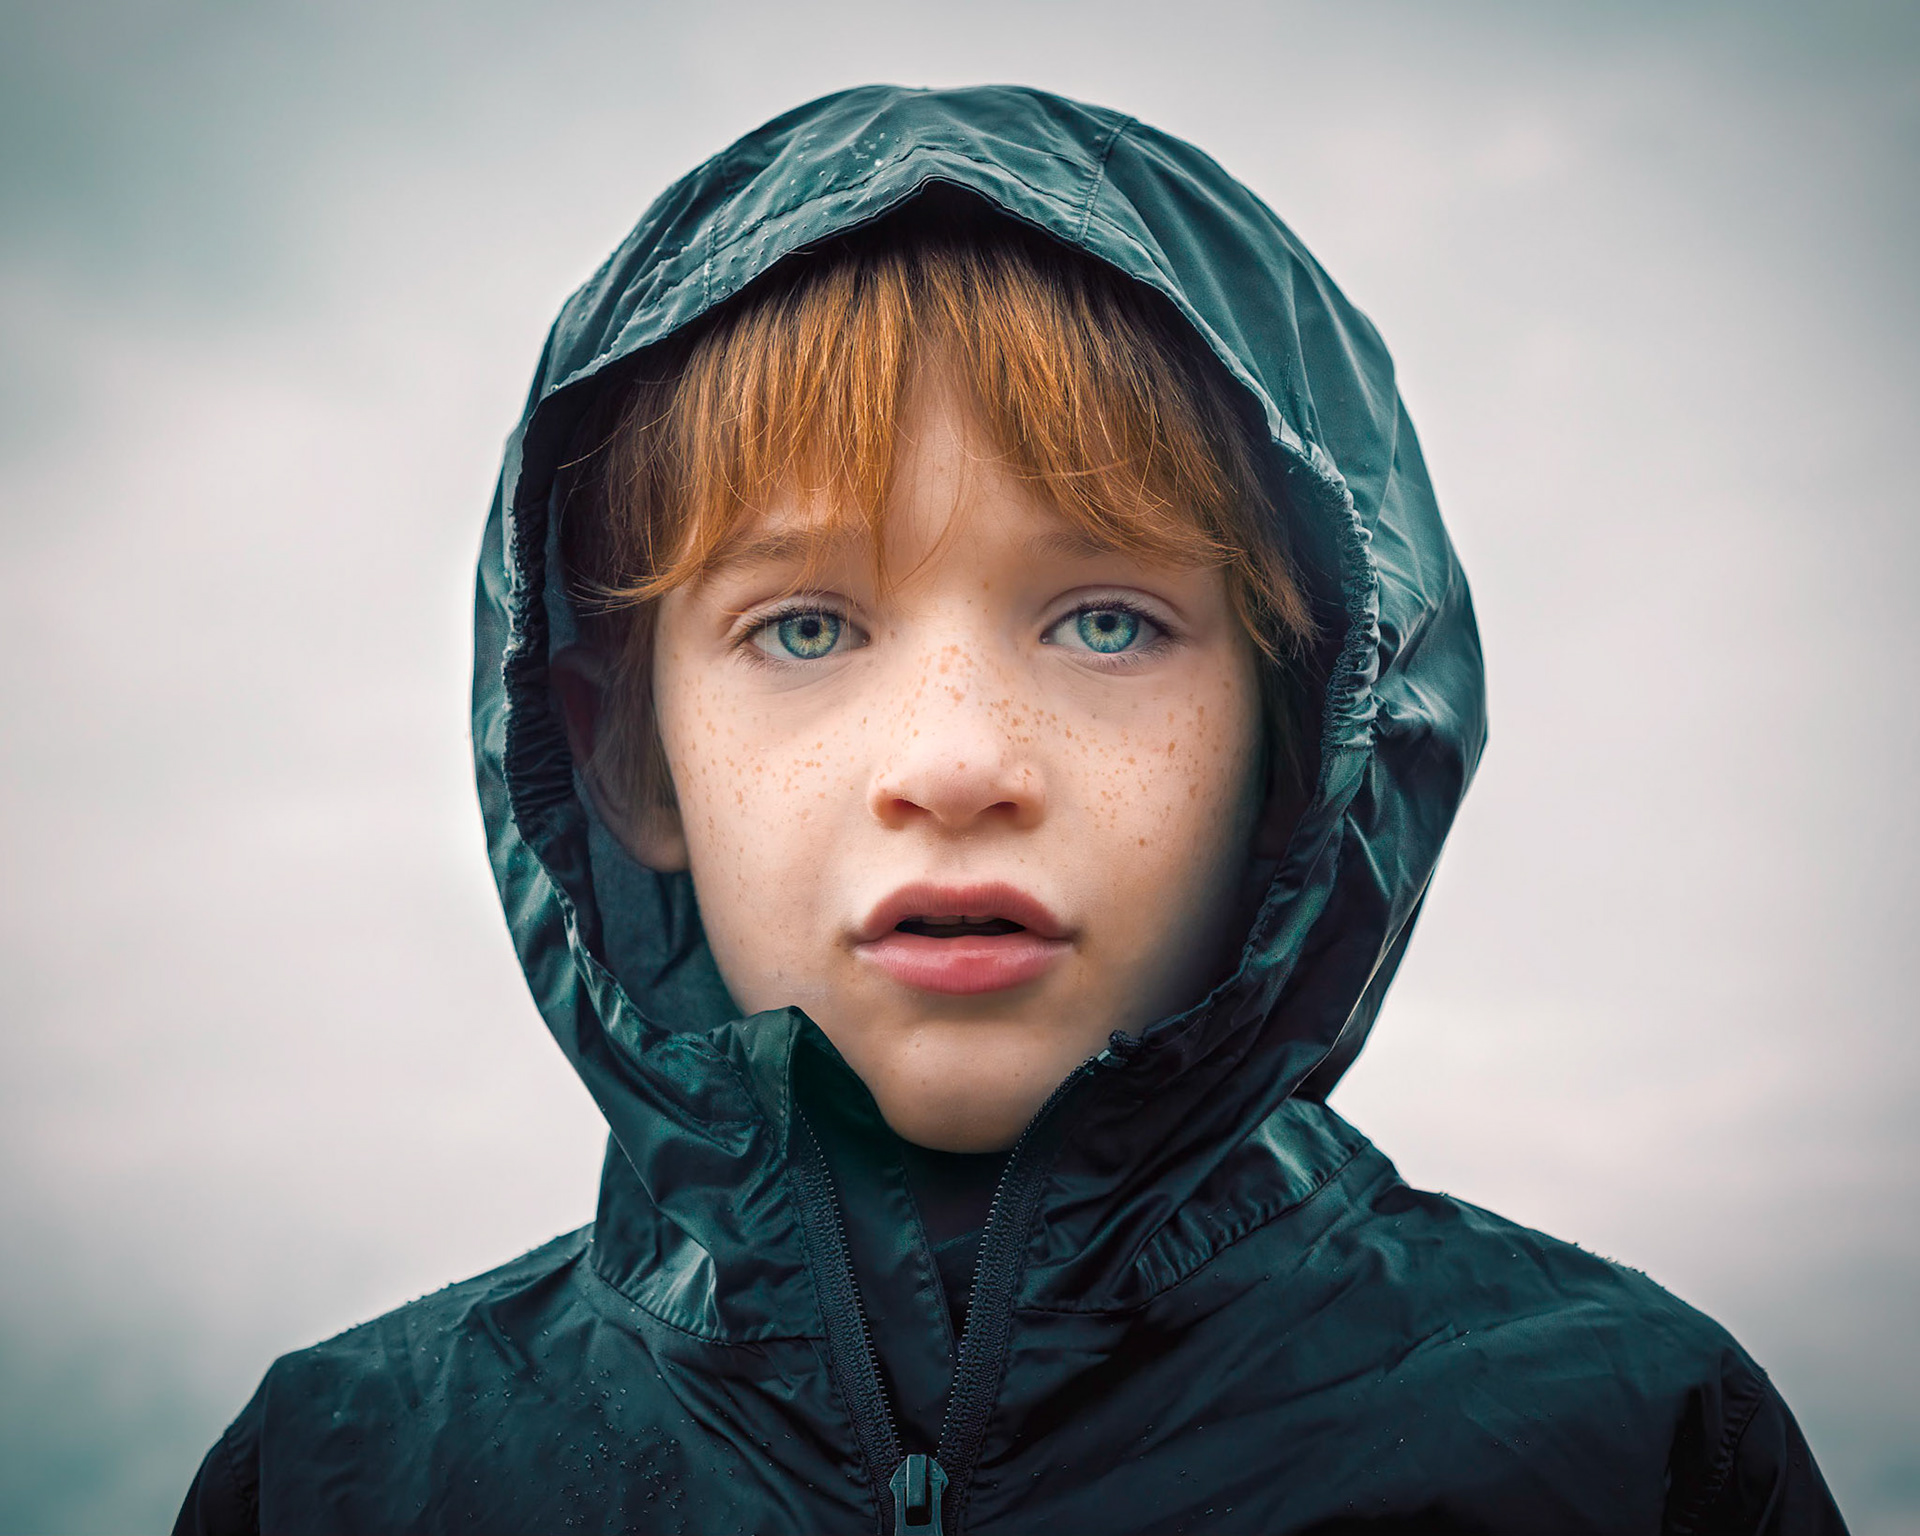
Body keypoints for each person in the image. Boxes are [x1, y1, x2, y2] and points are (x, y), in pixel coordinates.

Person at [174, 85, 1846, 1535]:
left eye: (1107, 621)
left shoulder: (1635, 1453)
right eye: (804, 628)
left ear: (1299, 738)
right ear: (626, 754)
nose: (960, 762)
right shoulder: (344, 1478)